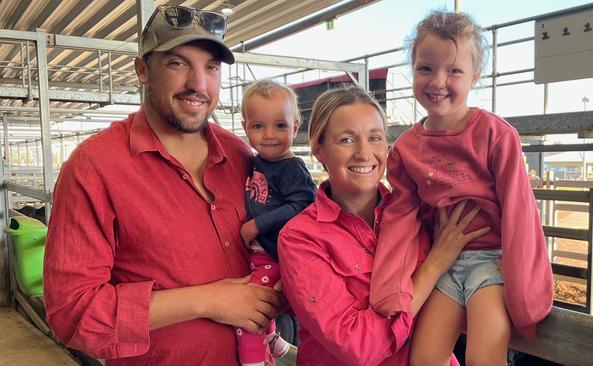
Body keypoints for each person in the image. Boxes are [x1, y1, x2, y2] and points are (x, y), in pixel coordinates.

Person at [44, 6, 283, 365]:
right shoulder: (95, 166)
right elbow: (73, 312)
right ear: (143, 70)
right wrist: (208, 300)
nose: (198, 85)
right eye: (177, 63)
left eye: (211, 67)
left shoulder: (239, 153)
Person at [368, 11, 554, 366]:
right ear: (413, 70)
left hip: (493, 263)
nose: (438, 81)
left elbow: (519, 209)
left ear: (475, 77)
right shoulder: (406, 148)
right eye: (426, 68)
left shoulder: (495, 135)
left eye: (453, 71)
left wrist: (525, 289)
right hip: (444, 262)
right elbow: (402, 218)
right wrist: (391, 286)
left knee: (485, 358)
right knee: (423, 359)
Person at [277, 87, 490, 366]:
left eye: (375, 138)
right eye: (346, 140)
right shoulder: (301, 238)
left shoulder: (421, 212)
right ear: (319, 150)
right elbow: (358, 346)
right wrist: (434, 265)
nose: (364, 153)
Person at [237, 80, 316, 366]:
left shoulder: (291, 168)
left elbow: (304, 203)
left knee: (250, 309)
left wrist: (256, 225)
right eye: (259, 126)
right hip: (262, 253)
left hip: (276, 255)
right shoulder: (256, 161)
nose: (269, 135)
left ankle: (254, 359)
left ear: (295, 127)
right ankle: (273, 339)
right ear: (246, 127)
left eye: (280, 126)